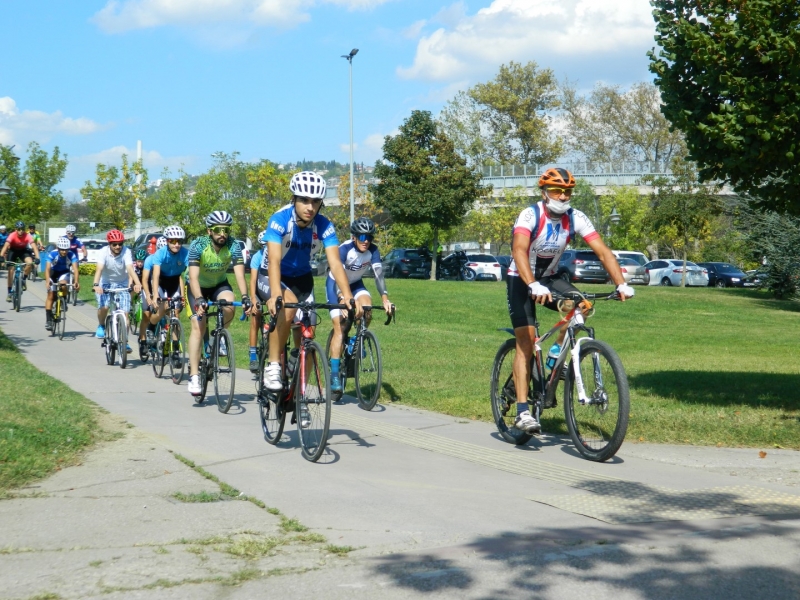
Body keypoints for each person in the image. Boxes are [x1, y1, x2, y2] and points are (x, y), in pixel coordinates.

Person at [507, 167, 634, 434]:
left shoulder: (576, 217)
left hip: (551, 277)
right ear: (544, 192)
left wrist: (620, 282)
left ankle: (555, 357)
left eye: (567, 191)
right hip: (521, 279)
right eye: (556, 190)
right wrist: (532, 284)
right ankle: (522, 412)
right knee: (526, 342)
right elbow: (518, 249)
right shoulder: (531, 214)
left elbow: (603, 251)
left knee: (582, 306)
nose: (563, 196)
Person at [256, 171, 360, 395]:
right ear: (294, 199)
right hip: (271, 275)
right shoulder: (280, 219)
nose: (310, 207)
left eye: (315, 201)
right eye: (304, 200)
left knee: (309, 334)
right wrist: (275, 294)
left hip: (302, 278)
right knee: (287, 307)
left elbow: (335, 263)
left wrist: (347, 295)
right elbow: (273, 260)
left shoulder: (323, 225)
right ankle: (273, 365)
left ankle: (299, 394)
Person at [186, 211, 251, 396]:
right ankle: (194, 376)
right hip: (196, 287)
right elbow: (193, 277)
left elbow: (239, 274)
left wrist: (245, 296)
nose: (223, 234)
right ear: (209, 231)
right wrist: (199, 299)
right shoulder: (198, 245)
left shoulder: (233, 245)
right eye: (218, 230)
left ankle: (218, 336)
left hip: (218, 284)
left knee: (229, 305)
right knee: (199, 326)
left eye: (226, 230)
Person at [326, 217, 391, 393]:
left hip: (355, 285)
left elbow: (378, 275)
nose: (366, 241)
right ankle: (333, 374)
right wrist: (341, 297)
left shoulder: (373, 251)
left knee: (367, 309)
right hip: (336, 286)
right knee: (340, 328)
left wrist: (385, 298)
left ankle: (357, 339)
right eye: (362, 237)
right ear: (354, 237)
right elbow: (335, 272)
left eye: (369, 237)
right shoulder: (344, 249)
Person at [91, 229, 142, 354]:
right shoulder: (103, 252)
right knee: (104, 307)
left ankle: (125, 342)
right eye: (114, 244)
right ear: (109, 244)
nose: (118, 246)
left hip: (122, 284)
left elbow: (130, 269)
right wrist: (96, 284)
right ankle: (101, 325)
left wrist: (138, 283)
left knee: (125, 314)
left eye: (120, 243)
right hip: (106, 283)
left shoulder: (126, 252)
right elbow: (99, 269)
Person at [148, 227, 188, 364]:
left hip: (174, 282)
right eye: (173, 241)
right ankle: (151, 327)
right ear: (167, 241)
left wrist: (185, 296)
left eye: (180, 241)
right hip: (161, 282)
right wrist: (154, 297)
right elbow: (156, 274)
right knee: (162, 308)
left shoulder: (185, 253)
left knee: (176, 315)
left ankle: (176, 350)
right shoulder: (160, 253)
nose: (177, 244)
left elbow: (187, 275)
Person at [43, 236, 80, 330]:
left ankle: (63, 300)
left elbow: (75, 269)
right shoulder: (52, 254)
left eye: (66, 250)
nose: (64, 252)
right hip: (53, 273)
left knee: (63, 284)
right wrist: (47, 281)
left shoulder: (71, 255)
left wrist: (76, 282)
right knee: (51, 295)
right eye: (62, 250)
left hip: (64, 273)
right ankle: (48, 320)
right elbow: (47, 269)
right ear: (58, 248)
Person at [0, 221, 41, 300]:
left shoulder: (27, 235)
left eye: (22, 229)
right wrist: (1, 256)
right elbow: (5, 246)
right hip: (13, 251)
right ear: (16, 229)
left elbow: (34, 247)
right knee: (10, 270)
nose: (20, 231)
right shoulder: (12, 235)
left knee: (29, 263)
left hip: (23, 251)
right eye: (19, 229)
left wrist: (37, 258)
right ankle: (9, 292)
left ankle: (23, 280)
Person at [248, 230, 268, 373]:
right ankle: (253, 355)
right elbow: (253, 280)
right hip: (259, 290)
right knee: (255, 318)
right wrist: (253, 299)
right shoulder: (257, 257)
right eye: (263, 246)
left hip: (273, 290)